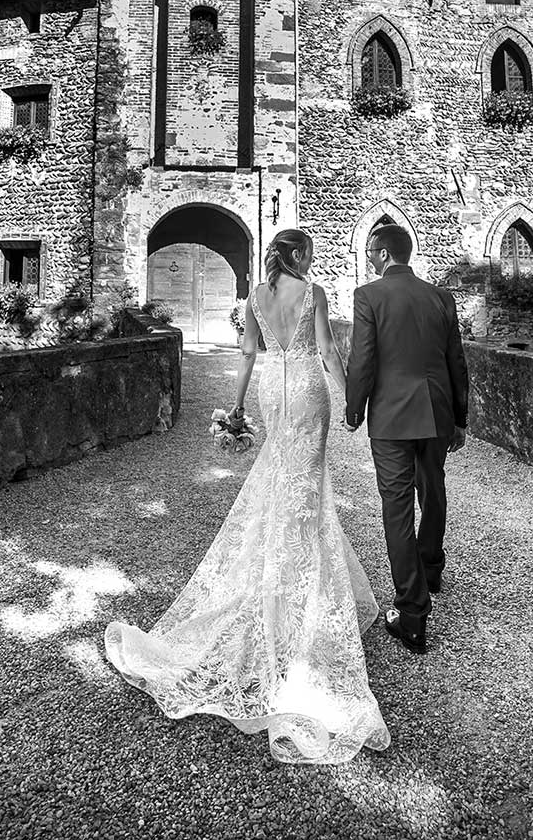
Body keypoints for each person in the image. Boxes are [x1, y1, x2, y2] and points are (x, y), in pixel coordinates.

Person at [103, 228, 390, 765]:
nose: (311, 258)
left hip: (271, 391)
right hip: (306, 388)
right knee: (305, 487)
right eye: (307, 251)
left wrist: (235, 407)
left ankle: (277, 586)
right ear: (298, 255)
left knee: (281, 483)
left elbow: (250, 353)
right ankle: (299, 604)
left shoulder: (255, 297)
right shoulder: (314, 292)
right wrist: (354, 400)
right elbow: (327, 350)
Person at [343, 223, 469, 653]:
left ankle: (412, 613)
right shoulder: (440, 296)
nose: (368, 259)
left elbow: (363, 357)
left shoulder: (369, 296)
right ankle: (431, 567)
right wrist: (461, 418)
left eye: (369, 252)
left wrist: (354, 407)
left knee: (396, 507)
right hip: (436, 410)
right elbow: (456, 360)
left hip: (392, 416)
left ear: (382, 254)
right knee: (433, 490)